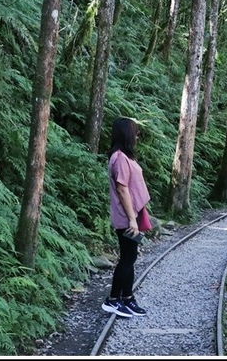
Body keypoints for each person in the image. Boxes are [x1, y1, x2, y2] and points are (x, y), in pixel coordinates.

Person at [101, 117, 151, 318]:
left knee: (130, 257)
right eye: (135, 132)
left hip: (133, 214)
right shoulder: (120, 158)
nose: (137, 135)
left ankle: (127, 298)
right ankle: (113, 300)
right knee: (127, 258)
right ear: (127, 134)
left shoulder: (124, 156)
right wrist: (132, 219)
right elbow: (122, 190)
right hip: (126, 216)